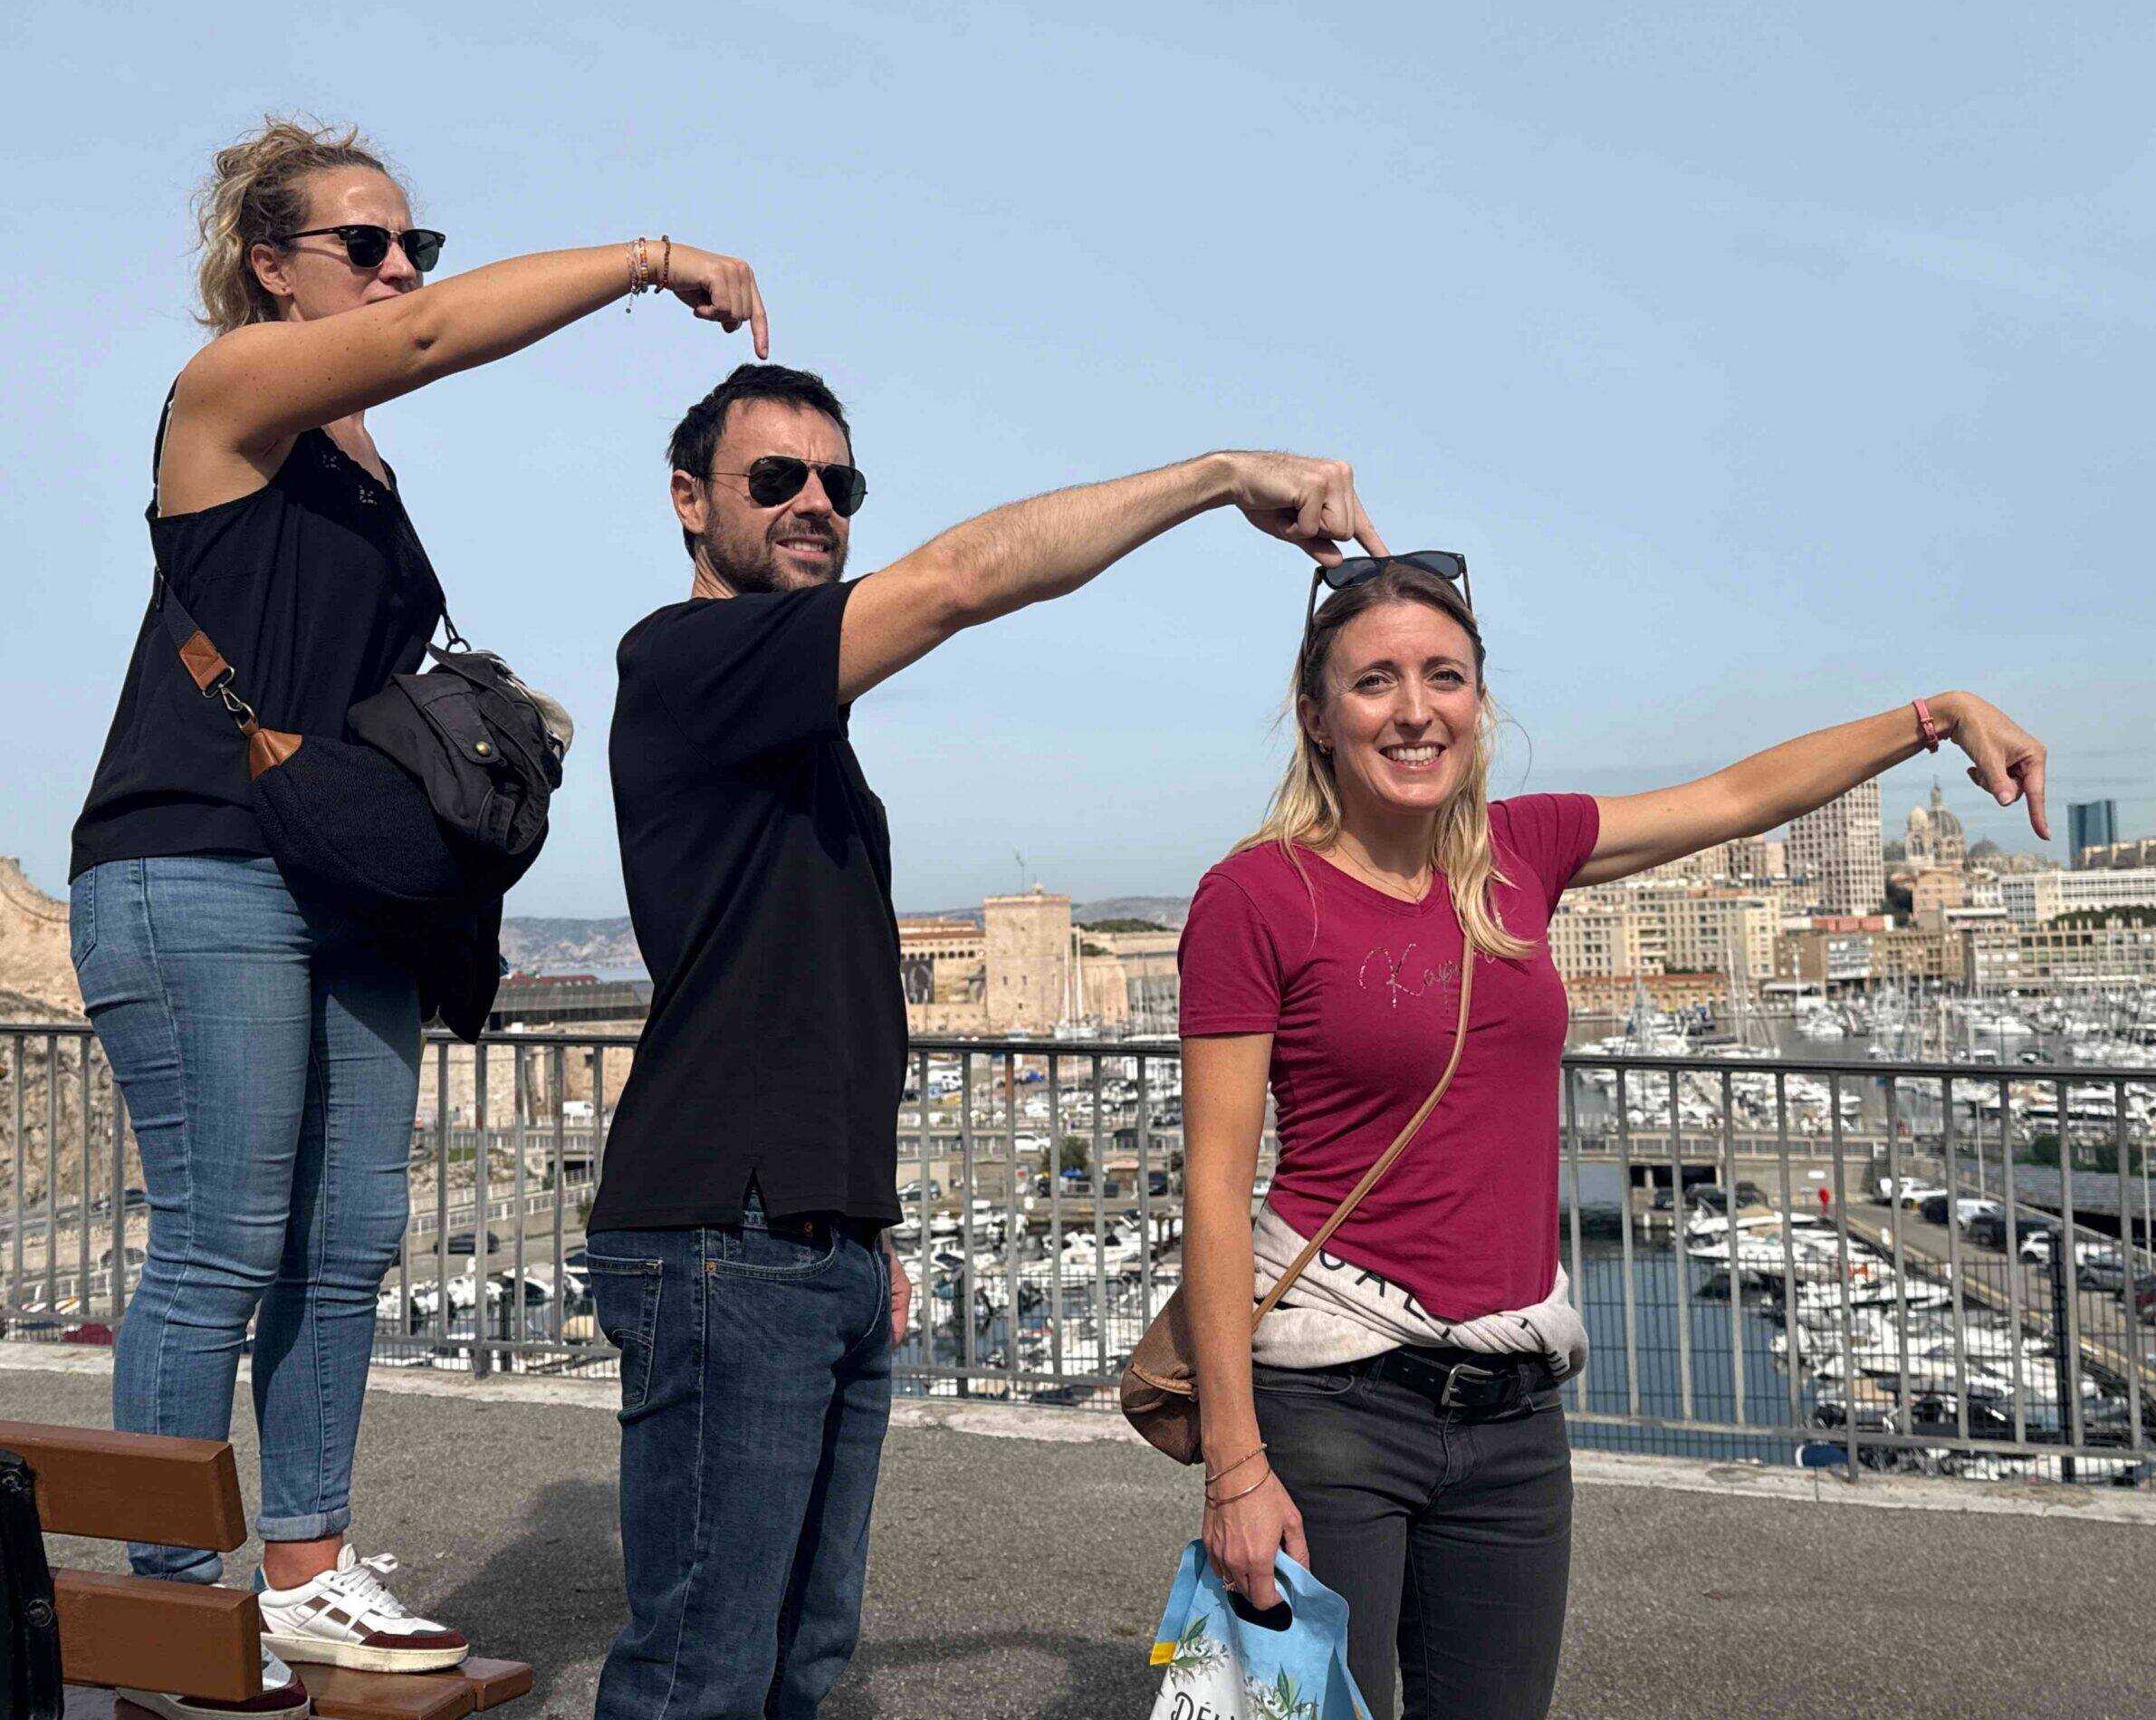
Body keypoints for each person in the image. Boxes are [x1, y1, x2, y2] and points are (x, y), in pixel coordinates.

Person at [69, 116, 766, 1719]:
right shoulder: (228, 393)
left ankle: (306, 1572)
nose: (399, 273)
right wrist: (655, 262)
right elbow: (441, 341)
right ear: (269, 266)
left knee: (348, 1243)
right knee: (223, 1241)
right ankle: (169, 1603)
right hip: (200, 858)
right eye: (364, 248)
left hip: (348, 885)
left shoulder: (364, 457)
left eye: (414, 248)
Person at [585, 360, 1382, 1719]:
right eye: (774, 478)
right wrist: (1217, 478)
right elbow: (963, 581)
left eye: (840, 483)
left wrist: (864, 1230)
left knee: (799, 1661)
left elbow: (807, 993)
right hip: (725, 1237)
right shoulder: (683, 659)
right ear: (687, 501)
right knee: (700, 1672)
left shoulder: (802, 731)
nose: (815, 503)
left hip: (811, 1244)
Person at [1177, 553, 2048, 1716]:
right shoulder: (1255, 897)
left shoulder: (1519, 857)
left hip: (1513, 1406)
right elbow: (1214, 1190)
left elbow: (1740, 797)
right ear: (1317, 714)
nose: (1414, 709)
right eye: (1374, 681)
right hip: (1333, 1402)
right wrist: (1235, 1467)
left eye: (1445, 677)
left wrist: (1935, 718)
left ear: (1479, 706)